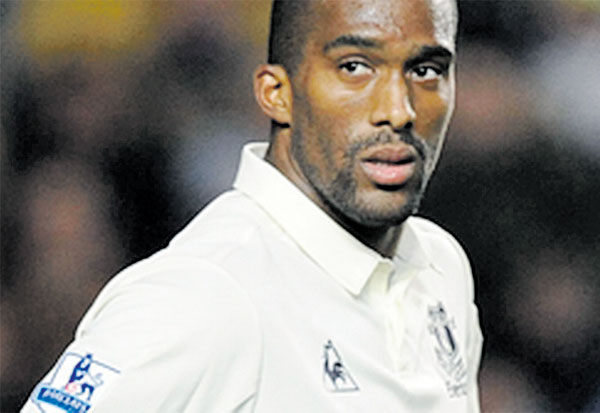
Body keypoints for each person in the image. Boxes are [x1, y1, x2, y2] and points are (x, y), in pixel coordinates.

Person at [22, 0, 483, 411]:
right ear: (276, 93)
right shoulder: (206, 294)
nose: (399, 110)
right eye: (355, 67)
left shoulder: (441, 266)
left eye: (426, 70)